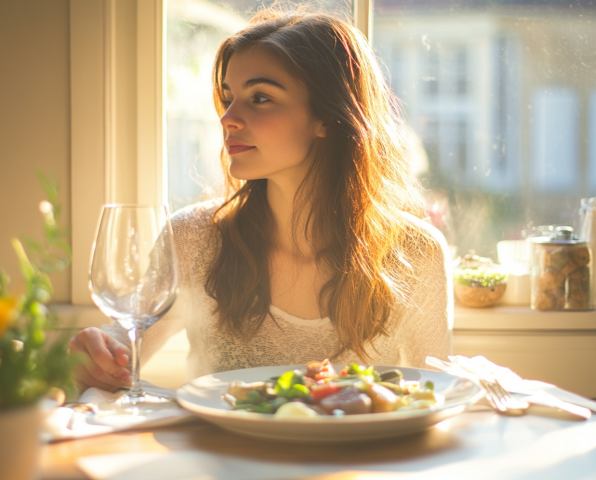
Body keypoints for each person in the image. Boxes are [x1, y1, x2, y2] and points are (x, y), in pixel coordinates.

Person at [69, 8, 453, 392]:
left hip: (354, 455)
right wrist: (97, 353)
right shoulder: (193, 238)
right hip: (218, 452)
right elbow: (122, 346)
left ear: (327, 118)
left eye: (261, 97)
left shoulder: (414, 253)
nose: (228, 119)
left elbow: (436, 395)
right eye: (228, 97)